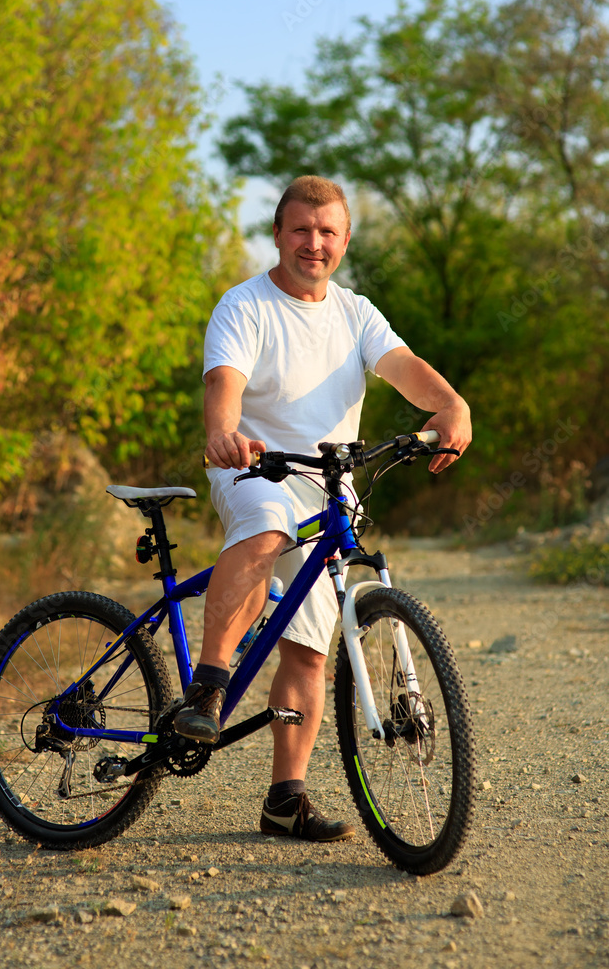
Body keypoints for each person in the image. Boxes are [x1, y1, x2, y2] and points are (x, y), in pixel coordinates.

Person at [173, 175, 471, 842]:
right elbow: (224, 384)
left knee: (307, 652)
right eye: (301, 230)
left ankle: (285, 799)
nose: (314, 243)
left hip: (328, 487)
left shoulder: (354, 312)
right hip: (252, 468)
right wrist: (223, 432)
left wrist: (450, 405)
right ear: (278, 234)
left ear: (343, 240)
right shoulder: (244, 306)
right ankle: (208, 687)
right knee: (267, 525)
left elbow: (402, 364)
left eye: (327, 231)